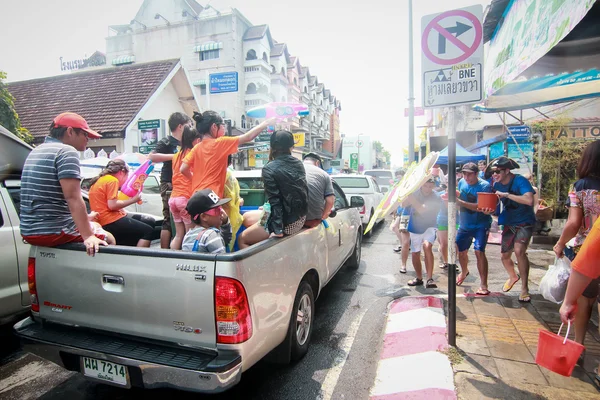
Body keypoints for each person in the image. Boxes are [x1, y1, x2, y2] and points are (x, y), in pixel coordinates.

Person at [20, 112, 108, 256]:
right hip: (53, 230)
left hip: (29, 230)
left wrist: (85, 218)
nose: (87, 139)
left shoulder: (36, 150)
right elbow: (73, 197)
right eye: (85, 134)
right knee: (109, 239)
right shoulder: (67, 151)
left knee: (95, 224)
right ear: (70, 131)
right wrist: (88, 236)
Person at [553, 140, 600, 346]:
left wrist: (560, 244)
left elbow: (573, 223)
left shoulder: (580, 187)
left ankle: (579, 345)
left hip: (586, 252)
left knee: (583, 301)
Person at [238, 131, 308, 248]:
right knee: (245, 218)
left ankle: (258, 266)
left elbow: (276, 201)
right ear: (291, 147)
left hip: (287, 224)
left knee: (242, 239)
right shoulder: (298, 163)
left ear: (272, 147)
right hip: (300, 218)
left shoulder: (269, 169)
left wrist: (278, 230)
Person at [181, 111, 275, 197]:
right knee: (221, 216)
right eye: (222, 125)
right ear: (214, 127)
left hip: (196, 196)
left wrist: (195, 180)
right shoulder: (220, 143)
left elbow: (183, 169)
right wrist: (266, 123)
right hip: (211, 196)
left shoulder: (197, 147)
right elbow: (248, 137)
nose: (224, 128)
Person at [491, 156, 536, 302]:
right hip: (509, 222)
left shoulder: (520, 181)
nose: (495, 174)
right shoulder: (496, 184)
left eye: (498, 171)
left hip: (525, 221)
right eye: (493, 172)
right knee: (504, 256)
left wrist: (507, 195)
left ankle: (524, 288)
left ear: (507, 170)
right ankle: (513, 276)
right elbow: (493, 204)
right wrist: (487, 210)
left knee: (519, 251)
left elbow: (529, 200)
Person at [88, 159, 156, 247]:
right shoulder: (113, 181)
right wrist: (133, 200)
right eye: (127, 175)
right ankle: (139, 257)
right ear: (122, 172)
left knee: (149, 220)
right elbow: (112, 205)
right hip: (109, 220)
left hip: (103, 219)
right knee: (148, 231)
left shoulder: (99, 180)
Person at [149, 112, 192, 249]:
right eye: (188, 125)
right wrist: (175, 156)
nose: (190, 128)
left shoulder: (186, 142)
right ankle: (164, 251)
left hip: (183, 186)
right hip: (168, 182)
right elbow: (152, 157)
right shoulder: (166, 141)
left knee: (181, 223)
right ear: (180, 126)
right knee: (168, 220)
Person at [454, 163, 493, 295]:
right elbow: (458, 198)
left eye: (470, 174)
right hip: (465, 224)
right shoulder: (461, 182)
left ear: (476, 173)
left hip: (481, 224)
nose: (466, 176)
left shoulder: (484, 186)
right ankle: (464, 271)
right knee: (460, 250)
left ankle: (483, 284)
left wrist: (460, 202)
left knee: (479, 251)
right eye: (464, 173)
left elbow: (480, 206)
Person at [401, 178, 442, 288]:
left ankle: (429, 278)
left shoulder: (436, 197)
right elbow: (403, 204)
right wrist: (406, 194)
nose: (428, 189)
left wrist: (412, 198)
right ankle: (419, 278)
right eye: (426, 186)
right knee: (415, 252)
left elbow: (422, 210)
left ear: (433, 186)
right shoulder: (414, 193)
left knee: (427, 246)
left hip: (430, 225)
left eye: (430, 186)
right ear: (421, 185)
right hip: (415, 226)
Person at [168, 126, 201, 250]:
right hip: (185, 198)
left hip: (173, 198)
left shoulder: (176, 155)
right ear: (196, 140)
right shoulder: (193, 154)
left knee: (178, 235)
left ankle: (173, 258)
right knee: (189, 235)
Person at [182, 189, 233, 254]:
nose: (222, 212)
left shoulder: (188, 235)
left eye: (221, 208)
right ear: (204, 217)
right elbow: (222, 260)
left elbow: (223, 241)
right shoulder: (211, 235)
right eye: (217, 210)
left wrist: (225, 223)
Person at [302, 152, 335, 228]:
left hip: (291, 220)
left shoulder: (293, 170)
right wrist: (323, 216)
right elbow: (330, 200)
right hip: (312, 221)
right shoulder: (324, 174)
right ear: (317, 163)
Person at [223, 155, 244, 251]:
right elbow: (236, 197)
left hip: (222, 216)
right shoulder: (230, 178)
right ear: (230, 163)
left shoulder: (212, 176)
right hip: (229, 217)